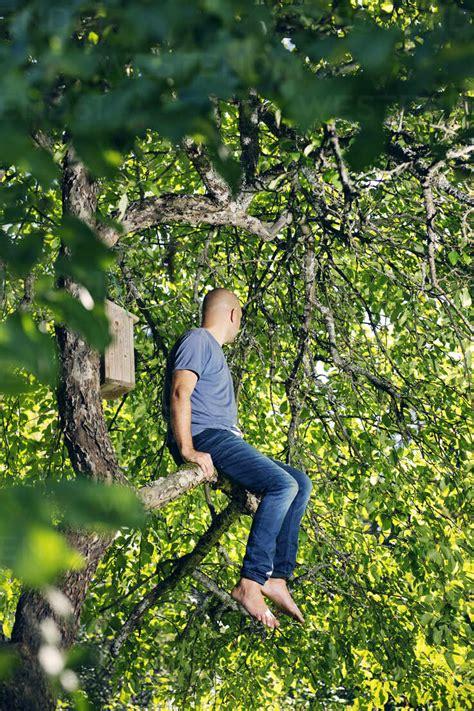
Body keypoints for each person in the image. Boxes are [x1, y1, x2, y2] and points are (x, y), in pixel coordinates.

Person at [163, 288, 312, 629]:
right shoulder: (199, 340)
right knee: (281, 485)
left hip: (223, 437)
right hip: (209, 437)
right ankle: (251, 581)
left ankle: (276, 577)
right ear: (233, 314)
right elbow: (179, 391)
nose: (239, 325)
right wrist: (187, 449)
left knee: (300, 483)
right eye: (240, 318)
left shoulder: (210, 349)